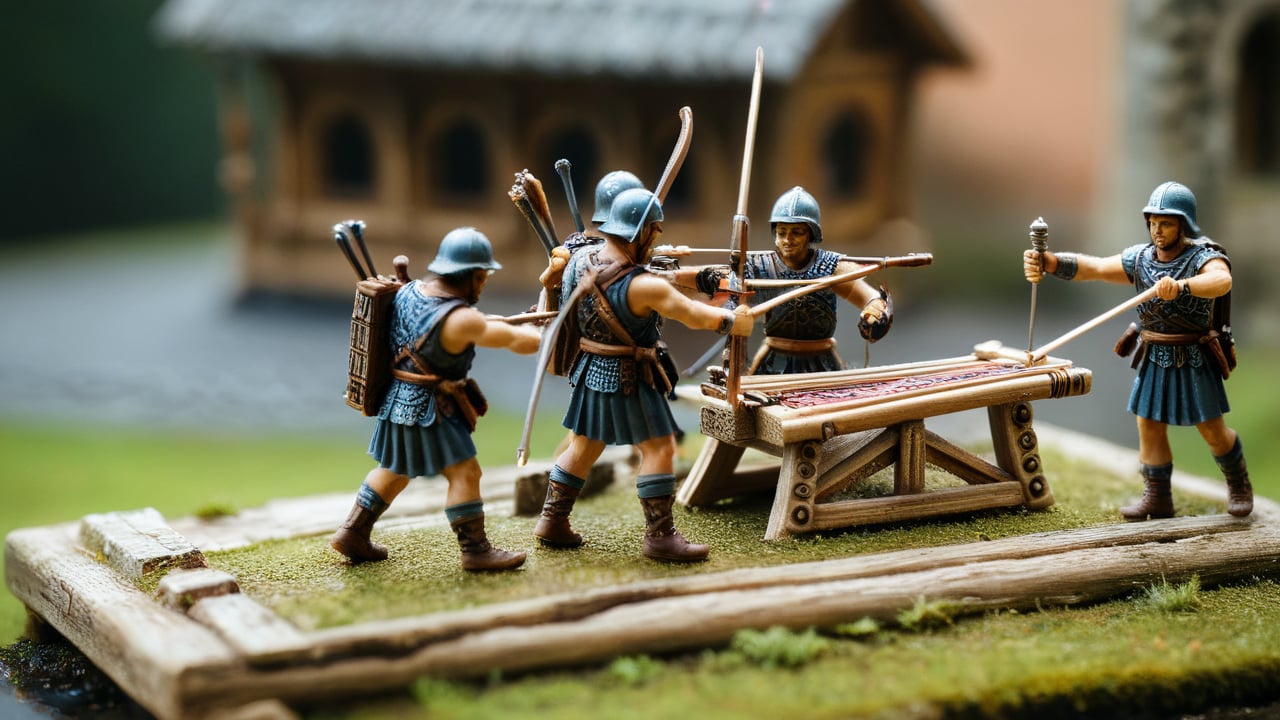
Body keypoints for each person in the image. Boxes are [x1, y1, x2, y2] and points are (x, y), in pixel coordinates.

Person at [533, 188, 753, 561]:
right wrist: (733, 320)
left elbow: (657, 272)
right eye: (654, 232)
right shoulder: (643, 285)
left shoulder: (581, 259)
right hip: (629, 375)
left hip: (590, 373)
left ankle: (551, 520)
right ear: (644, 233)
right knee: (659, 447)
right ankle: (660, 537)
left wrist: (698, 276)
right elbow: (693, 314)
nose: (655, 240)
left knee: (583, 446)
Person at [1022, 180, 1251, 520]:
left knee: (1211, 430)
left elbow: (1221, 281)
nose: (1158, 231)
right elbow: (1096, 268)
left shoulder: (1203, 257)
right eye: (1154, 223)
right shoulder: (1141, 259)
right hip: (1155, 357)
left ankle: (1238, 484)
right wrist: (1053, 263)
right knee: (1149, 425)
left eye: (1167, 224)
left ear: (1183, 225)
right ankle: (1158, 497)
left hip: (1192, 357)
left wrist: (1183, 286)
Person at [331, 227, 542, 570]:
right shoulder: (461, 319)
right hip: (431, 409)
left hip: (397, 402)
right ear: (473, 275)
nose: (484, 283)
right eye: (483, 276)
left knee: (395, 469)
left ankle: (352, 531)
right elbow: (515, 341)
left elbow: (465, 324)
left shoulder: (410, 292)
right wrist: (543, 333)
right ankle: (475, 551)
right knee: (465, 473)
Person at [690, 186, 893, 374]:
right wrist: (732, 310)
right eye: (782, 232)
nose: (788, 240)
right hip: (773, 365)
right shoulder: (759, 267)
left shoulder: (831, 266)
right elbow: (728, 301)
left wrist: (875, 309)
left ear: (810, 234)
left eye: (797, 232)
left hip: (822, 365)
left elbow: (871, 297)